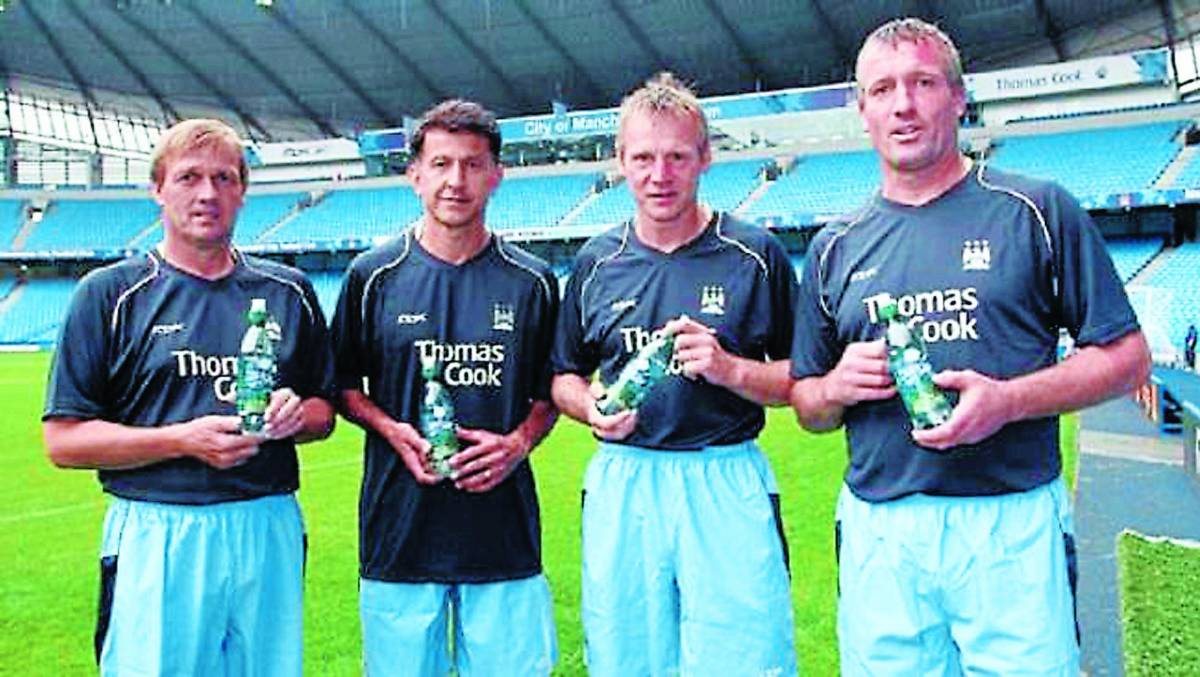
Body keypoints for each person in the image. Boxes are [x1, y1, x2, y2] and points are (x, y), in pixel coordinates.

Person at [788, 18, 1151, 675]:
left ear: (958, 97)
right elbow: (808, 404)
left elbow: (1126, 357)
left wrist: (1008, 401)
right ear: (862, 110)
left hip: (1009, 522)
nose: (903, 103)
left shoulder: (1035, 209)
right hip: (881, 530)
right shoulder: (834, 247)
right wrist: (835, 387)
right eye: (883, 89)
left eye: (923, 83)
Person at [42, 118, 337, 675]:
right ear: (158, 189)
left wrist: (295, 416)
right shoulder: (108, 294)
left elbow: (324, 412)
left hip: (266, 521)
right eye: (189, 178)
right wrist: (180, 440)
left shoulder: (287, 291)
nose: (208, 194)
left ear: (243, 191)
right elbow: (64, 440)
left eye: (225, 178)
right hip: (160, 526)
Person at [550, 73, 799, 676]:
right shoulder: (596, 262)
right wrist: (592, 408)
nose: (659, 175)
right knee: (625, 656)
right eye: (643, 158)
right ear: (620, 161)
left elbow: (802, 380)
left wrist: (731, 368)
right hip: (625, 480)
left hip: (724, 474)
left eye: (676, 158)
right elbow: (563, 376)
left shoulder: (754, 253)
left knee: (745, 656)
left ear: (704, 158)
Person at [331, 100, 560, 675]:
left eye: (472, 164)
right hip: (399, 535)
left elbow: (551, 392)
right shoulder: (372, 276)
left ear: (496, 175)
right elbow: (339, 385)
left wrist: (519, 443)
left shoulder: (531, 281)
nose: (456, 181)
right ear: (414, 175)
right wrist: (389, 428)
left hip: (502, 536)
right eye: (440, 164)